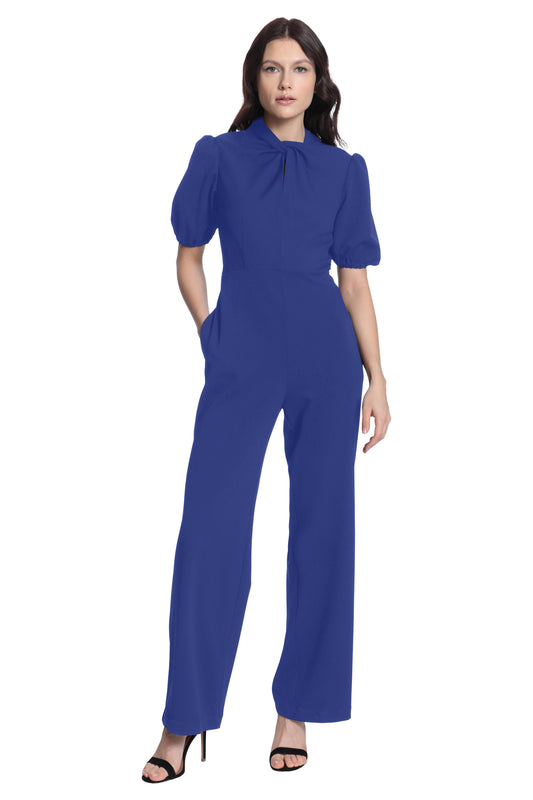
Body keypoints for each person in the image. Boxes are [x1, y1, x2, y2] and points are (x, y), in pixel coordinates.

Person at [142, 17, 391, 782]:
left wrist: (378, 377)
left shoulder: (343, 171)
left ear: (318, 82)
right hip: (241, 353)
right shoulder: (217, 157)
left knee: (323, 531)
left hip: (325, 358)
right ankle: (183, 718)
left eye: (300, 69)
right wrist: (210, 331)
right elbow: (188, 257)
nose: (286, 81)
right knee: (210, 531)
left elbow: (354, 284)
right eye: (273, 68)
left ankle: (295, 712)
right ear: (254, 78)